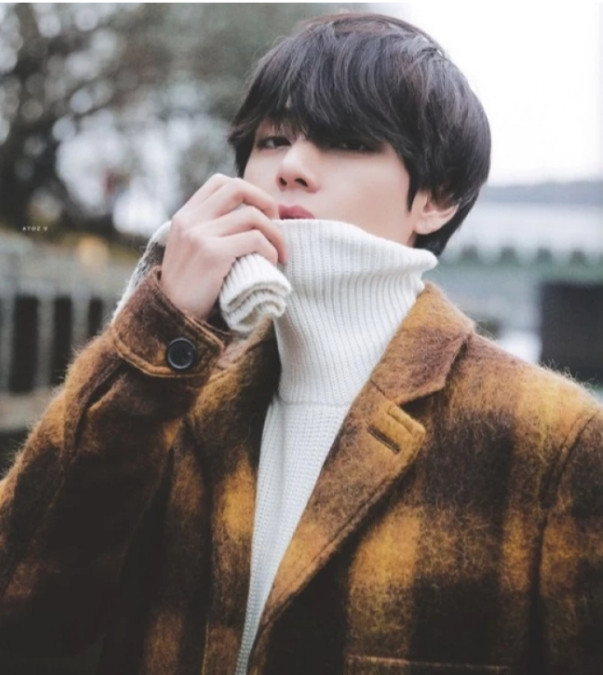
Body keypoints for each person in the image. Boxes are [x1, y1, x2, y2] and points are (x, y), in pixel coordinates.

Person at [0, 12, 601, 675]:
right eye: (272, 140)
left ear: (436, 197)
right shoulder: (177, 402)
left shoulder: (554, 439)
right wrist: (160, 321)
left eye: (346, 141)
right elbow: (23, 607)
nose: (291, 167)